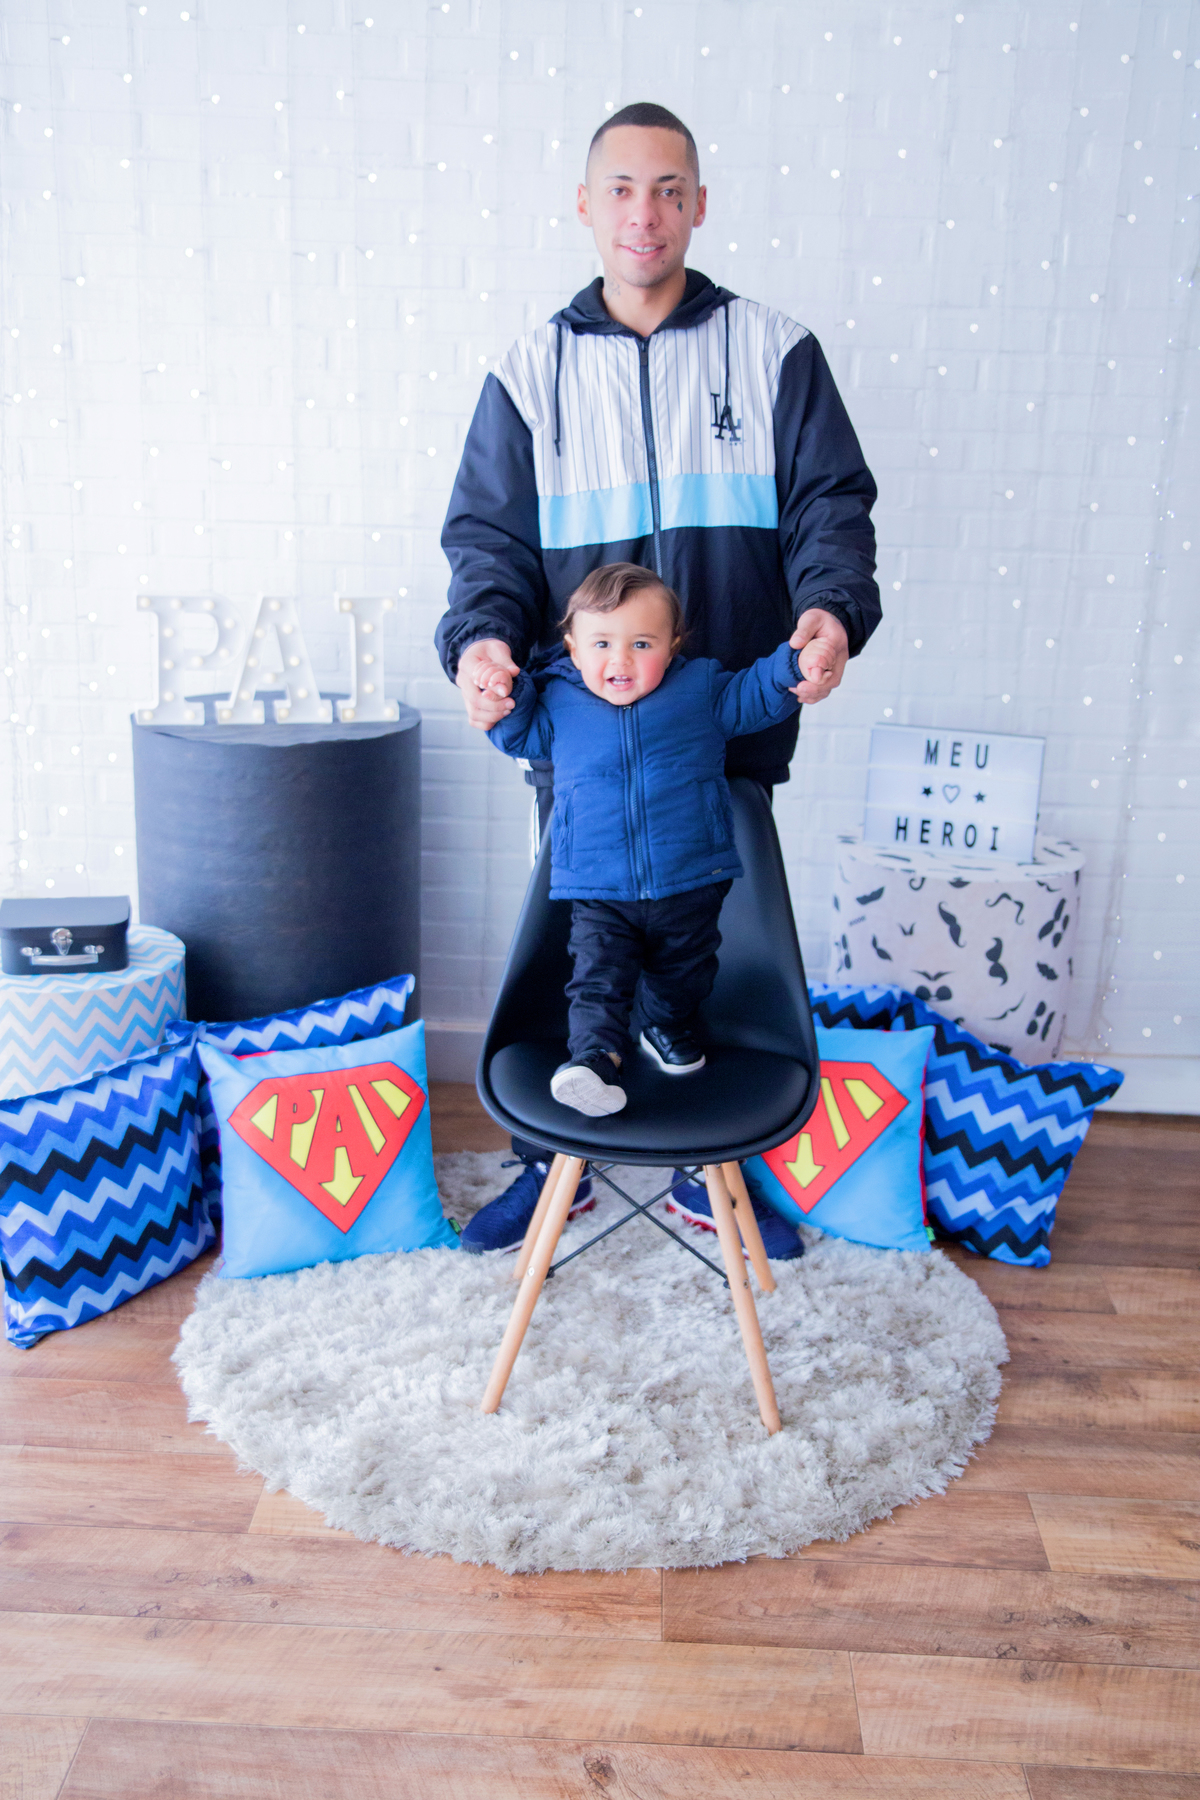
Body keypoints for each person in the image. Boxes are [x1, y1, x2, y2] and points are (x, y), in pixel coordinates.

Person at [438, 99, 881, 1254]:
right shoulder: (529, 370)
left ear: (699, 204)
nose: (646, 212)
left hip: (725, 721)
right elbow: (486, 541)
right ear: (586, 206)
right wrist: (484, 644)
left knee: (712, 952)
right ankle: (555, 1171)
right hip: (579, 737)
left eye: (670, 188)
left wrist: (831, 612)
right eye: (622, 189)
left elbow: (832, 507)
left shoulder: (775, 351)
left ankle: (709, 1169)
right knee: (573, 943)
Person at [488, 563, 804, 1116]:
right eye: (603, 643)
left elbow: (757, 693)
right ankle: (594, 1060)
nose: (620, 660)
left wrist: (795, 665)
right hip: (598, 885)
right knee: (597, 979)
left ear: (673, 643)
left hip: (690, 878)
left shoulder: (699, 690)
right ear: (573, 648)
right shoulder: (556, 702)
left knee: (688, 970)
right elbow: (516, 730)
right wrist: (501, 693)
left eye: (641, 643)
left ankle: (663, 1024)